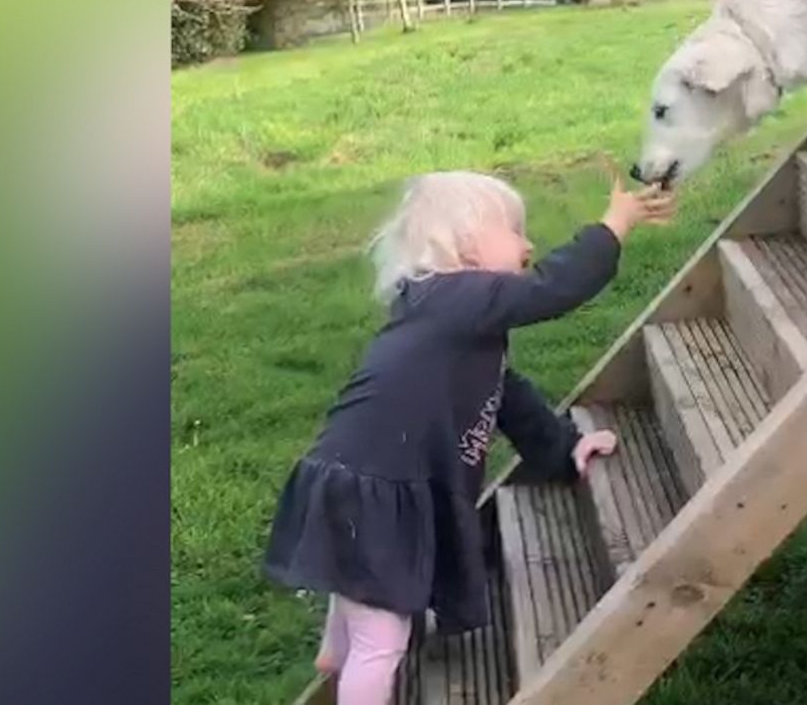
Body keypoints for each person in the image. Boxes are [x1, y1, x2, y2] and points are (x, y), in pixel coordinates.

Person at [263, 170, 675, 704]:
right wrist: (614, 225)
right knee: (385, 638)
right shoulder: (457, 298)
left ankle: (336, 649)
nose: (529, 245)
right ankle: (354, 658)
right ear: (465, 243)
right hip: (375, 485)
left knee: (363, 575)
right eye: (516, 231)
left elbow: (504, 395)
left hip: (356, 474)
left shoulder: (449, 316)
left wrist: (564, 446)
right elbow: (554, 287)